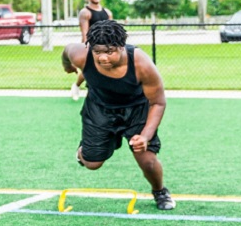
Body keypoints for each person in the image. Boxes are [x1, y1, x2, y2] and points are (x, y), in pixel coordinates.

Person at [61, 19, 175, 210]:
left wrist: (145, 136)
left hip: (136, 110)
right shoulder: (81, 55)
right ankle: (87, 149)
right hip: (100, 108)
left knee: (146, 159)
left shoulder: (141, 64)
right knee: (92, 163)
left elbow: (158, 102)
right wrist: (67, 67)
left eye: (109, 52)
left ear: (121, 47)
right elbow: (66, 52)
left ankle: (160, 191)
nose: (103, 58)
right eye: (97, 52)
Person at [69, 0, 113, 101]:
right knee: (89, 69)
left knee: (107, 68)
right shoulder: (85, 12)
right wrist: (85, 47)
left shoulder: (107, 12)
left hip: (106, 45)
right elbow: (85, 32)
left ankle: (104, 92)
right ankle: (77, 86)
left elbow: (111, 30)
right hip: (93, 45)